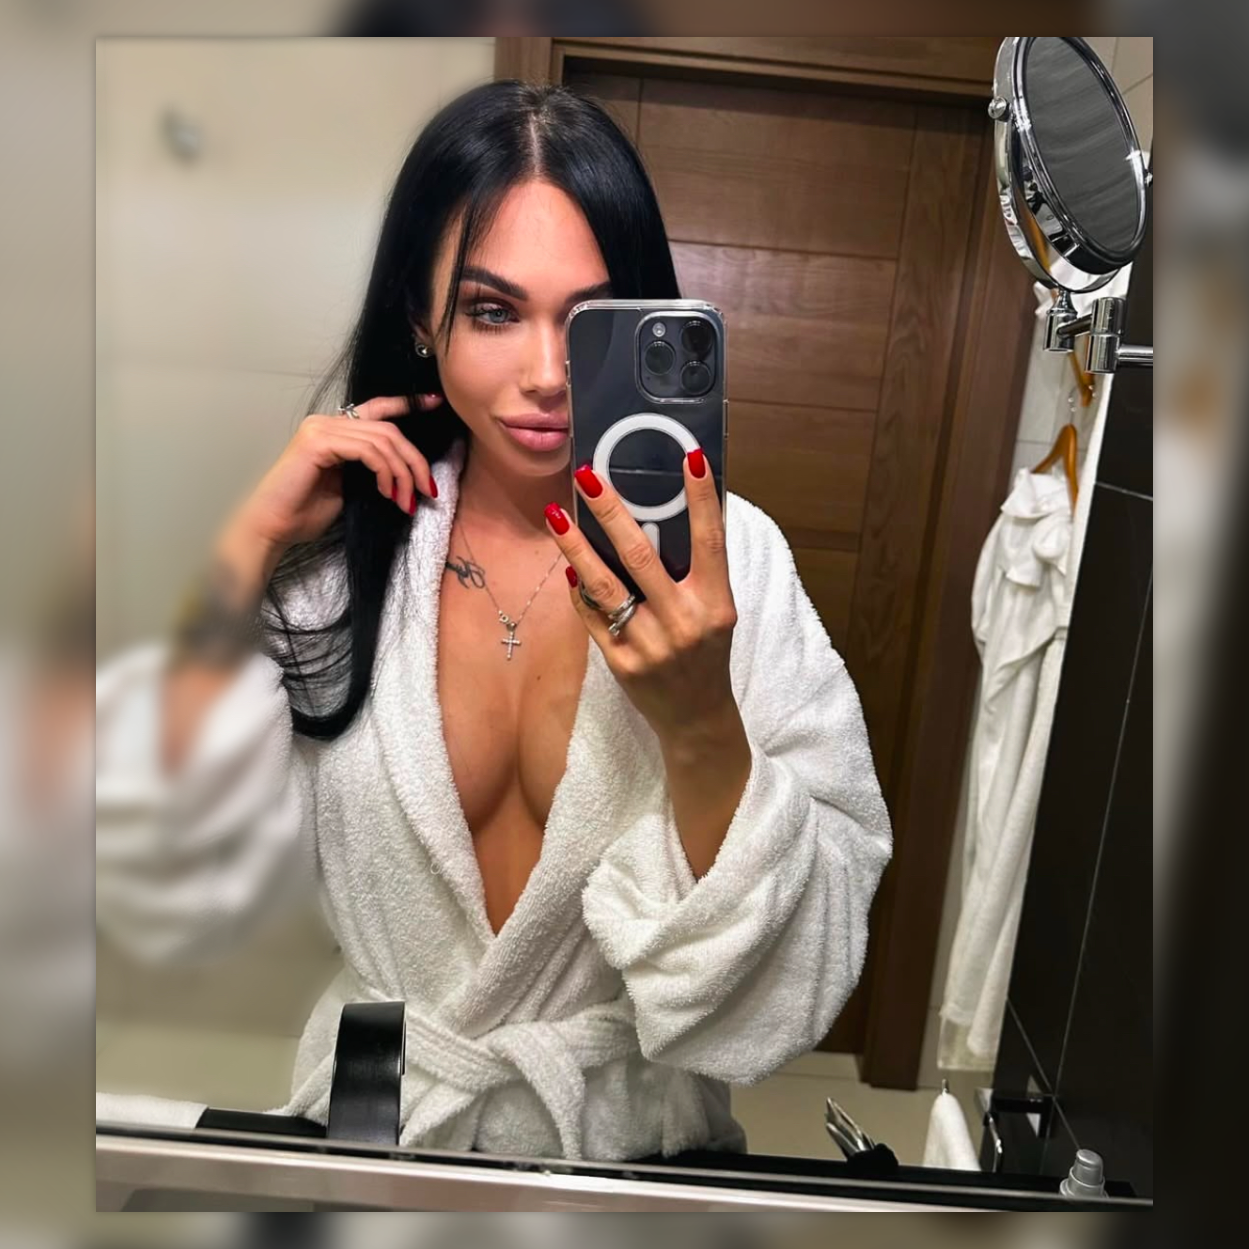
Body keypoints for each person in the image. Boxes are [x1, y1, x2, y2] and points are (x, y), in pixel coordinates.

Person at [96, 80, 892, 1161]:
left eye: (587, 321)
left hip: (627, 1150)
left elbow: (812, 952)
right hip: (387, 1121)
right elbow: (163, 869)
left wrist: (701, 721)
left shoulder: (726, 563)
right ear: (419, 319)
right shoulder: (342, 564)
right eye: (491, 311)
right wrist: (246, 551)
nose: (547, 375)